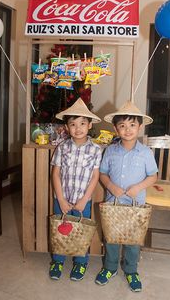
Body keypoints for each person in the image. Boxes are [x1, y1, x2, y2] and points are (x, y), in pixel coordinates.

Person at [95, 101, 158, 292]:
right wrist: (110, 186)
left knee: (133, 239)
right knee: (112, 237)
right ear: (115, 129)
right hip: (113, 202)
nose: (127, 129)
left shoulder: (146, 152)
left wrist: (138, 187)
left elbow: (153, 176)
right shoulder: (110, 151)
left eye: (132, 125)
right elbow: (102, 173)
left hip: (135, 204)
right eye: (122, 126)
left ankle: (131, 270)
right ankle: (110, 267)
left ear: (140, 127)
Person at [49, 98, 102, 281]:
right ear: (66, 126)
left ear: (89, 125)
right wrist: (61, 199)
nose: (77, 128)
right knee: (60, 230)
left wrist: (84, 199)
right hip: (62, 198)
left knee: (81, 231)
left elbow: (95, 176)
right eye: (73, 124)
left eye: (82, 123)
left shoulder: (95, 149)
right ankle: (58, 260)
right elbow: (55, 174)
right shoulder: (62, 147)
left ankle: (81, 262)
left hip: (83, 200)